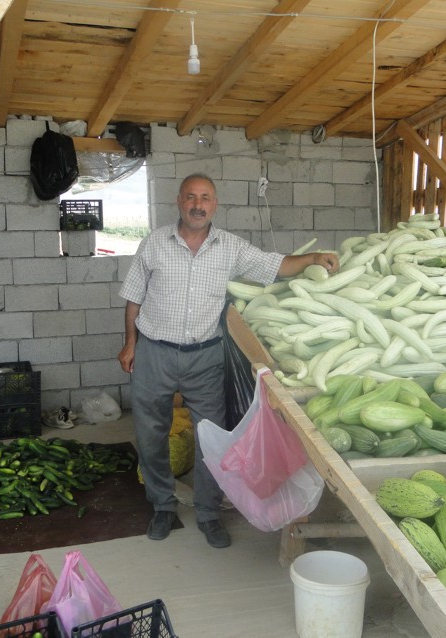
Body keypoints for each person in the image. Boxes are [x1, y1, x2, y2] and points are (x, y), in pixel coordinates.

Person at [117, 173, 339, 548]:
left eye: (205, 198)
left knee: (213, 436)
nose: (198, 205)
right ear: (179, 201)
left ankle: (208, 512)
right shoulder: (154, 243)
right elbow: (134, 297)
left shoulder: (230, 247)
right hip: (154, 351)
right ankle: (162, 506)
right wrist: (129, 343)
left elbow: (274, 265)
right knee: (150, 434)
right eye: (191, 197)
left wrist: (314, 259)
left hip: (205, 356)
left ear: (215, 205)